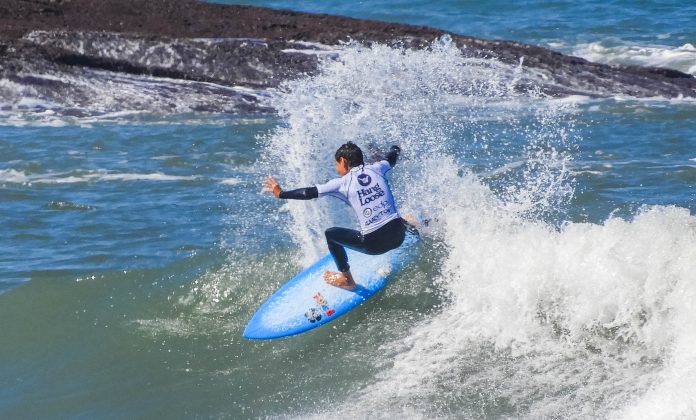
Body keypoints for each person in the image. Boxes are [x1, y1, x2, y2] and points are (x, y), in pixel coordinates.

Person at [263, 142, 408, 291]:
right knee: (388, 213)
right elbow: (392, 157)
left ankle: (347, 280)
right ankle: (413, 227)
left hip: (374, 245)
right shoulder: (378, 168)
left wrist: (281, 194)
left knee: (331, 234)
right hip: (399, 235)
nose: (336, 168)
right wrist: (396, 147)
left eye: (336, 164)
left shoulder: (341, 183)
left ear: (344, 162)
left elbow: (309, 193)